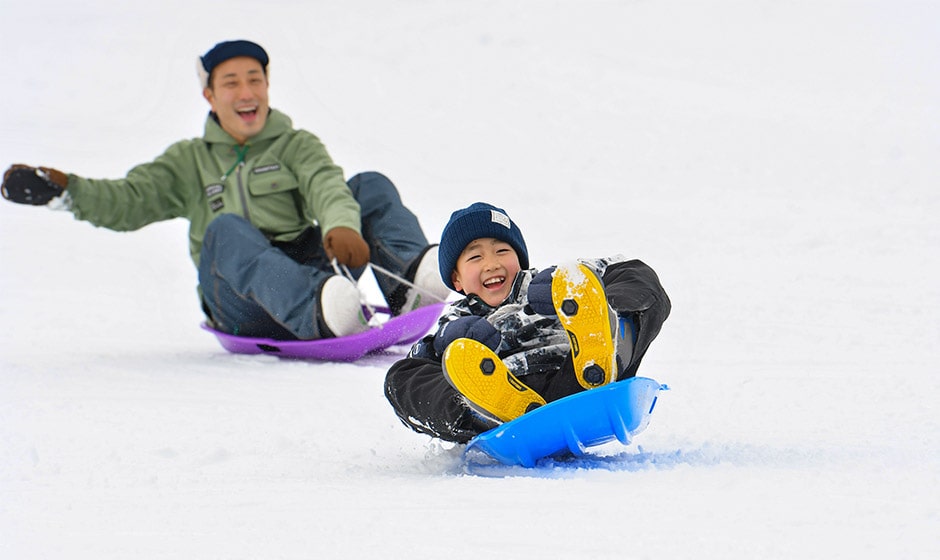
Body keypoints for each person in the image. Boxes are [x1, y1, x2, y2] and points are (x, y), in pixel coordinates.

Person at [1, 39, 449, 340]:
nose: (245, 91)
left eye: (255, 79)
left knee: (367, 185)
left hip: (308, 267)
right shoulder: (188, 161)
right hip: (239, 299)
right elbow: (129, 200)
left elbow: (324, 183)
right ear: (210, 96)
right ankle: (321, 310)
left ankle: (410, 280)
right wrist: (66, 192)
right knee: (225, 229)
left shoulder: (295, 144)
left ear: (267, 87)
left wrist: (339, 226)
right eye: (231, 83)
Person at [384, 202, 671, 443]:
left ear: (520, 259)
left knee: (638, 279)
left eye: (502, 251)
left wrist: (577, 285)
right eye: (475, 256)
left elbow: (624, 268)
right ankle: (476, 410)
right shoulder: (455, 320)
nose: (491, 263)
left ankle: (601, 348)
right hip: (507, 400)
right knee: (402, 376)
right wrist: (446, 347)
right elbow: (421, 361)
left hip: (575, 374)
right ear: (456, 279)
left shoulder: (552, 283)